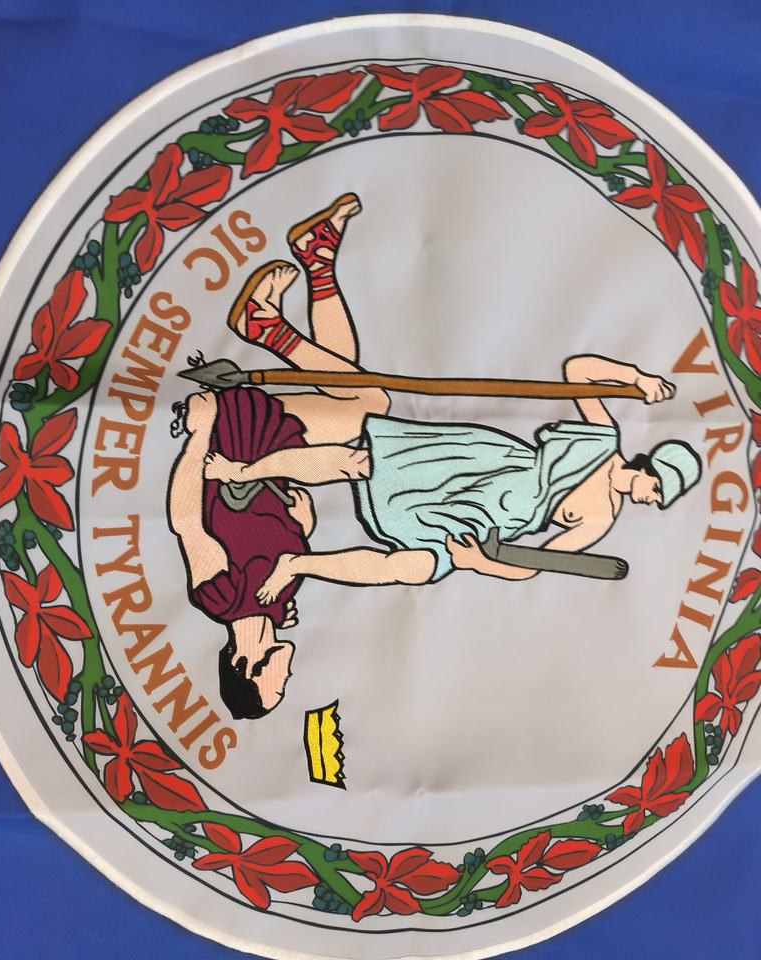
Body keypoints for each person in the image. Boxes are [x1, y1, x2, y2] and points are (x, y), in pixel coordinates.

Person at [203, 237, 702, 602]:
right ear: (648, 467)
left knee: (415, 567)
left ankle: (297, 564)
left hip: (479, 523)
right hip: (478, 464)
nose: (651, 499)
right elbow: (580, 371)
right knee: (359, 457)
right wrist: (636, 378)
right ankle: (242, 465)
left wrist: (479, 562)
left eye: (659, 498)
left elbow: (535, 564)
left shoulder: (601, 518)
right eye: (657, 488)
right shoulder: (602, 438)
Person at [168, 194, 388, 718]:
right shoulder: (279, 604)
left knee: (367, 405)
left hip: (236, 444)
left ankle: (266, 323)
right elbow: (273, 539)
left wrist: (200, 432)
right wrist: (303, 525)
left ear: (246, 666)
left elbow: (186, 522)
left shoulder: (221, 600)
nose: (286, 678)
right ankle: (314, 265)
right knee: (348, 386)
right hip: (276, 464)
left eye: (275, 686)